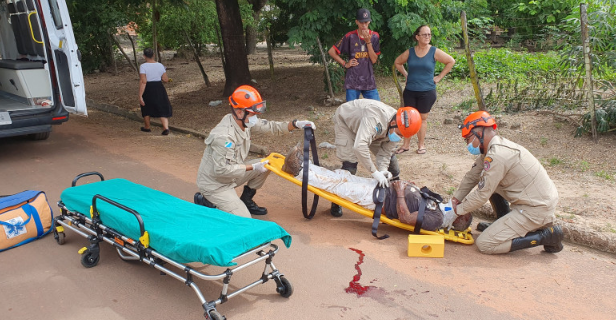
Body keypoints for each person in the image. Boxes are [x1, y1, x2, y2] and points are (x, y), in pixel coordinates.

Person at [443, 111, 564, 254]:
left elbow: (482, 194)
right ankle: (504, 223)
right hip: (535, 200)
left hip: (535, 208)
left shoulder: (497, 156)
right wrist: (455, 200)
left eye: (468, 139)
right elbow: (472, 176)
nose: (468, 144)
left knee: (485, 244)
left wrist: (456, 211)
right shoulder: (491, 150)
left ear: (479, 133)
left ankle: (547, 236)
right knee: (489, 180)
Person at [281, 144, 472, 232]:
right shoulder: (438, 205)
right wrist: (408, 187)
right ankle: (304, 165)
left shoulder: (436, 220)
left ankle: (298, 171)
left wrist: (399, 192)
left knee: (338, 186)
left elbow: (406, 218)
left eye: (460, 205)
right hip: (382, 188)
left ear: (460, 217)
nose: (457, 202)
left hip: (377, 200)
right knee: (343, 176)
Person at [195, 85, 315, 218]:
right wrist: (252, 167)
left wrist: (296, 124)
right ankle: (207, 200)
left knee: (267, 164)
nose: (255, 118)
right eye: (253, 114)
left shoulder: (243, 121)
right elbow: (222, 170)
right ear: (240, 112)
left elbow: (270, 127)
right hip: (216, 184)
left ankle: (246, 200)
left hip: (232, 174)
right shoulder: (224, 137)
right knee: (245, 220)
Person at [330, 100, 421, 216]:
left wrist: (383, 170)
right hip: (347, 123)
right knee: (350, 165)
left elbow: (386, 153)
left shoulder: (398, 127)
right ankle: (336, 200)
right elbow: (360, 146)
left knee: (392, 167)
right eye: (399, 134)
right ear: (393, 122)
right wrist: (374, 172)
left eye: (403, 136)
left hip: (375, 132)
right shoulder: (375, 118)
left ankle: (394, 201)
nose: (400, 137)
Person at [393, 25, 455, 154]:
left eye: (429, 34)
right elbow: (397, 62)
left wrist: (439, 77)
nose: (427, 37)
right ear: (417, 37)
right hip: (410, 90)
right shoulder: (410, 52)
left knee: (422, 118)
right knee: (407, 117)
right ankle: (406, 145)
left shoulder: (434, 51)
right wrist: (406, 74)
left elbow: (450, 61)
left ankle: (421, 145)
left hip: (427, 91)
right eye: (424, 34)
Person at [328, 8, 381, 102]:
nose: (364, 25)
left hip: (368, 80)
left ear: (369, 21)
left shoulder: (374, 36)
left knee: (377, 108)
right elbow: (332, 51)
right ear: (356, 22)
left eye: (366, 22)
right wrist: (345, 63)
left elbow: (374, 60)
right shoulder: (350, 36)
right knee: (351, 111)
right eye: (361, 22)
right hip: (352, 81)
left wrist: (368, 42)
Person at [139, 48, 172, 135]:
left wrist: (140, 95)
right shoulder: (160, 65)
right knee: (161, 105)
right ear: (154, 55)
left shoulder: (143, 66)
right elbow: (165, 79)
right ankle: (165, 128)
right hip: (159, 87)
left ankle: (147, 127)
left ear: (144, 56)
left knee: (146, 106)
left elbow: (143, 81)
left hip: (148, 88)